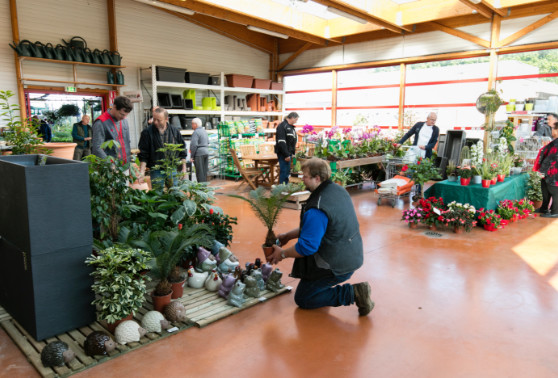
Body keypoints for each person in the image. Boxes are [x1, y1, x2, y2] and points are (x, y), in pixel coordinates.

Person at [267, 158, 374, 316]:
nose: (302, 179)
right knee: (311, 286)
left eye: (305, 176)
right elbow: (317, 227)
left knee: (304, 298)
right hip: (351, 253)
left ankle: (354, 293)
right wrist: (288, 236)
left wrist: (281, 254)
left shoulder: (317, 207)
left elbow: (307, 247)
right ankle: (334, 287)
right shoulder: (337, 190)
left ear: (317, 178)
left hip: (337, 264)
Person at [138, 107, 187, 189]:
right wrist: (142, 173)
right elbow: (143, 154)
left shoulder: (175, 132)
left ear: (166, 119)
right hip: (156, 170)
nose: (156, 122)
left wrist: (184, 169)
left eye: (159, 120)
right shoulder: (147, 133)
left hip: (172, 168)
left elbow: (182, 151)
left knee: (174, 194)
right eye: (154, 119)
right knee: (157, 195)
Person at [92, 96, 133, 163]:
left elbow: (127, 142)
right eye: (121, 114)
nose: (123, 117)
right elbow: (97, 149)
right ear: (114, 107)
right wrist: (110, 165)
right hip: (110, 167)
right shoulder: (101, 122)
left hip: (125, 165)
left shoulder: (124, 120)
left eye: (126, 115)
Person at [533, 121, 558, 218]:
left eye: (553, 129)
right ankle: (544, 207)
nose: (552, 131)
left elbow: (551, 157)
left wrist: (542, 171)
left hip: (553, 173)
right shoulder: (555, 141)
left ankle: (555, 212)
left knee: (554, 191)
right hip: (550, 172)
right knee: (545, 189)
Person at [275, 112, 299, 184]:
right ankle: (282, 189)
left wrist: (293, 153)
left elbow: (291, 142)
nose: (296, 121)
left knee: (286, 172)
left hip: (289, 153)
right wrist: (286, 155)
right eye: (296, 119)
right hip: (284, 153)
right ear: (292, 118)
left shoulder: (290, 127)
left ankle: (284, 187)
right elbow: (281, 142)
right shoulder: (283, 126)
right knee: (284, 171)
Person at [190, 118, 210, 182]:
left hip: (199, 154)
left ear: (195, 124)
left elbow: (194, 145)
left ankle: (201, 190)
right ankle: (204, 189)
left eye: (192, 124)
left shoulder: (196, 132)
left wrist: (192, 156)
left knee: (199, 173)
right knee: (204, 172)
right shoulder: (204, 131)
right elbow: (208, 142)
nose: (191, 126)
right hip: (206, 152)